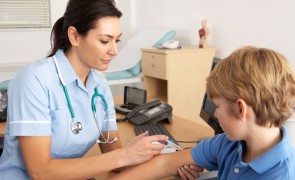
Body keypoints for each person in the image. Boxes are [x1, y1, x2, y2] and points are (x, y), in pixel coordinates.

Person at [0, 0, 171, 179]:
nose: (115, 51)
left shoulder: (100, 87)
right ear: (74, 36)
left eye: (117, 40)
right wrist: (124, 156)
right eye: (105, 41)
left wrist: (151, 154)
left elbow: (112, 153)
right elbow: (40, 172)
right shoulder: (34, 80)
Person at [109, 46, 295, 180]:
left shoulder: (282, 175)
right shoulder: (229, 144)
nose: (216, 114)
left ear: (240, 109)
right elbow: (164, 164)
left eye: (217, 106)